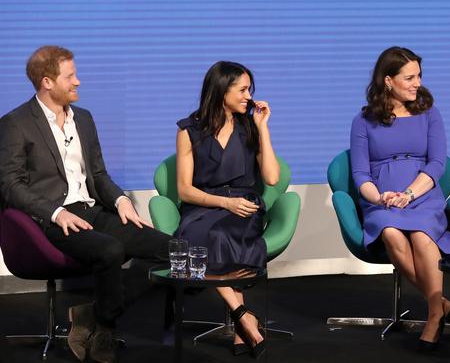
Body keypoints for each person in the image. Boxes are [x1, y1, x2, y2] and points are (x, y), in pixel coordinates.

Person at [0, 46, 170, 363]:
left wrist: (121, 200)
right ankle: (105, 328)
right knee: (110, 251)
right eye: (71, 76)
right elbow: (10, 186)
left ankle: (92, 314)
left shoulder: (85, 119)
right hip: (51, 220)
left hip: (92, 210)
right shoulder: (16, 123)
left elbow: (99, 174)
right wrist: (55, 211)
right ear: (47, 81)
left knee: (171, 249)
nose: (78, 81)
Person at [349, 46, 450, 351]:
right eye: (409, 77)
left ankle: (433, 315)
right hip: (382, 199)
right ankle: (440, 303)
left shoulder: (429, 113)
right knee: (390, 233)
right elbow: (360, 174)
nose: (417, 83)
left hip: (422, 194)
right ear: (388, 81)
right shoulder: (363, 121)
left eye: (419, 76)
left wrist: (410, 193)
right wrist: (381, 197)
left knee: (421, 233)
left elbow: (437, 163)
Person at [175, 61, 279, 358]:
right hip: (204, 205)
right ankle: (243, 316)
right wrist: (223, 202)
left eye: (250, 89)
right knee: (196, 236)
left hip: (244, 206)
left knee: (220, 235)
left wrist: (263, 128)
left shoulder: (249, 126)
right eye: (243, 89)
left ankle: (241, 324)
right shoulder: (189, 129)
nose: (249, 96)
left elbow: (271, 177)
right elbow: (184, 189)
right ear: (222, 90)